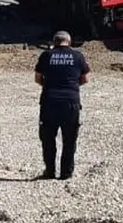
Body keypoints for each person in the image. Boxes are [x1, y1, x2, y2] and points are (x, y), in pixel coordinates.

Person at [34, 30, 90, 180]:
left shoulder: (46, 55)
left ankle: (50, 171)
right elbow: (85, 79)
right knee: (70, 139)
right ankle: (66, 173)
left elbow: (38, 78)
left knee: (48, 138)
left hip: (49, 101)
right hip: (71, 102)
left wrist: (51, 86)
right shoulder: (78, 56)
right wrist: (71, 87)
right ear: (69, 42)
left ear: (54, 42)